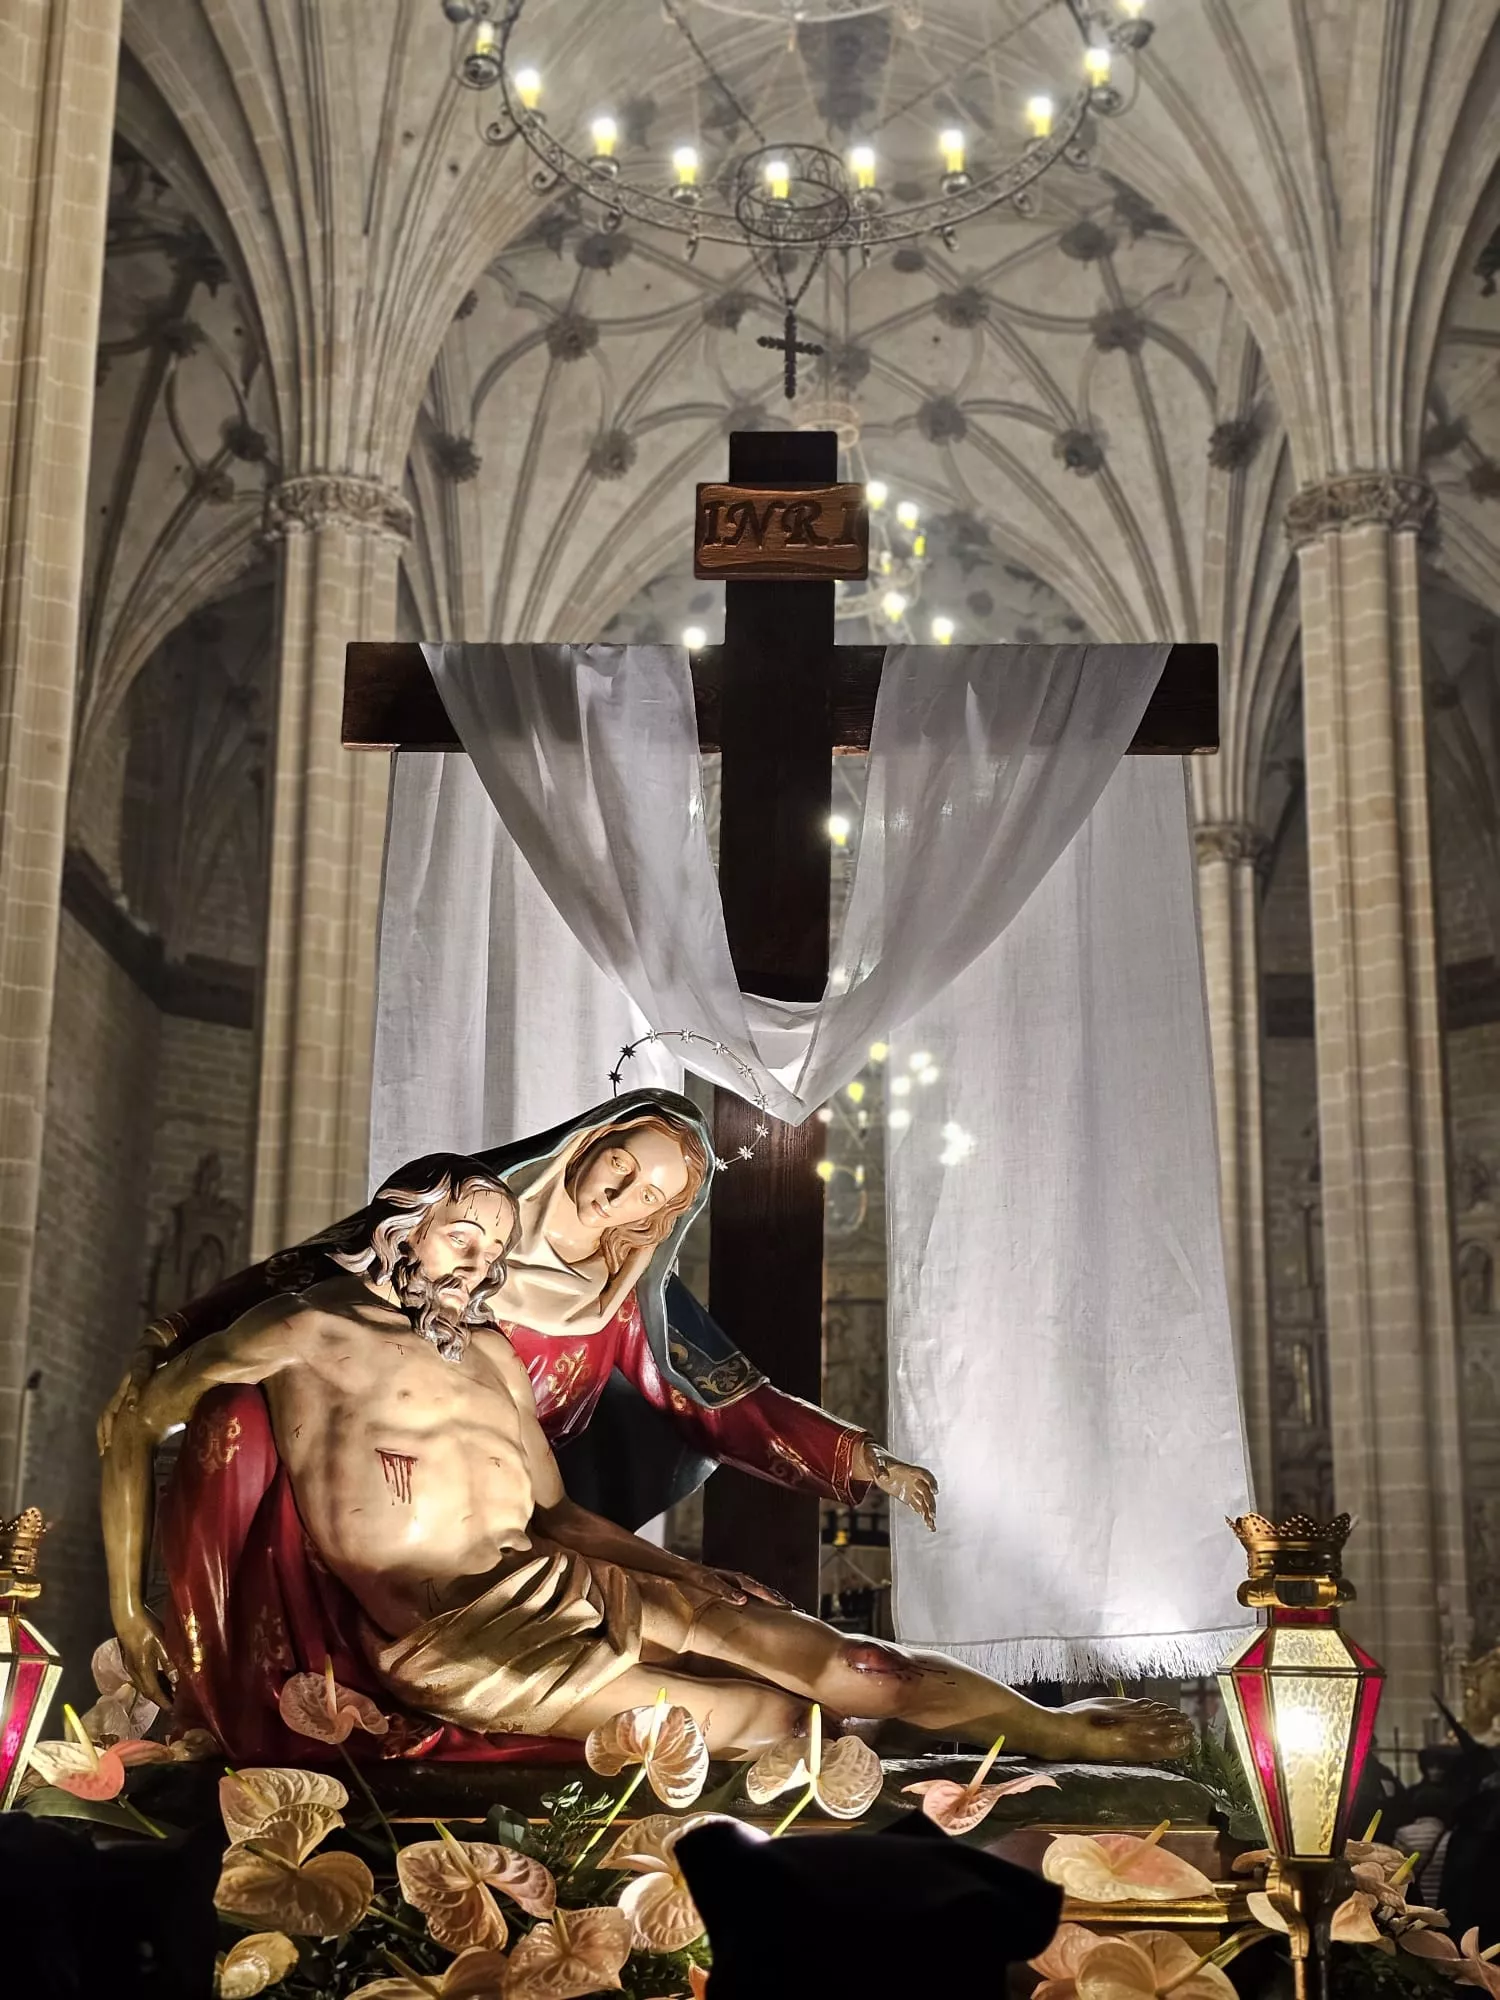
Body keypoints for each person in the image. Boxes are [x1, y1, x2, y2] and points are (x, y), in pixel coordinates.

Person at [101, 1155, 1191, 1765]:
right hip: (459, 1633)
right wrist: (134, 1607)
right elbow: (135, 1419)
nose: (480, 1256)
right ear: (402, 1221)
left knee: (856, 1666)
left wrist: (681, 1575)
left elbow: (557, 1515)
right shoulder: (309, 1331)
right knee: (778, 1722)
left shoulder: (487, 1353)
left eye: (490, 1238)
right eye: (458, 1231)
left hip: (567, 1576)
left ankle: (1067, 1730)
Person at [99, 1091, 937, 1572]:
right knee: (242, 1419)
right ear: (595, 1141)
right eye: (625, 1165)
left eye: (652, 1195)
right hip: (360, 1499)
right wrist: (164, 1342)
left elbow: (731, 1404)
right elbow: (304, 1277)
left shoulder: (621, 1306)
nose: (625, 1194)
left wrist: (863, 1458)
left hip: (505, 1521)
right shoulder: (462, 1213)